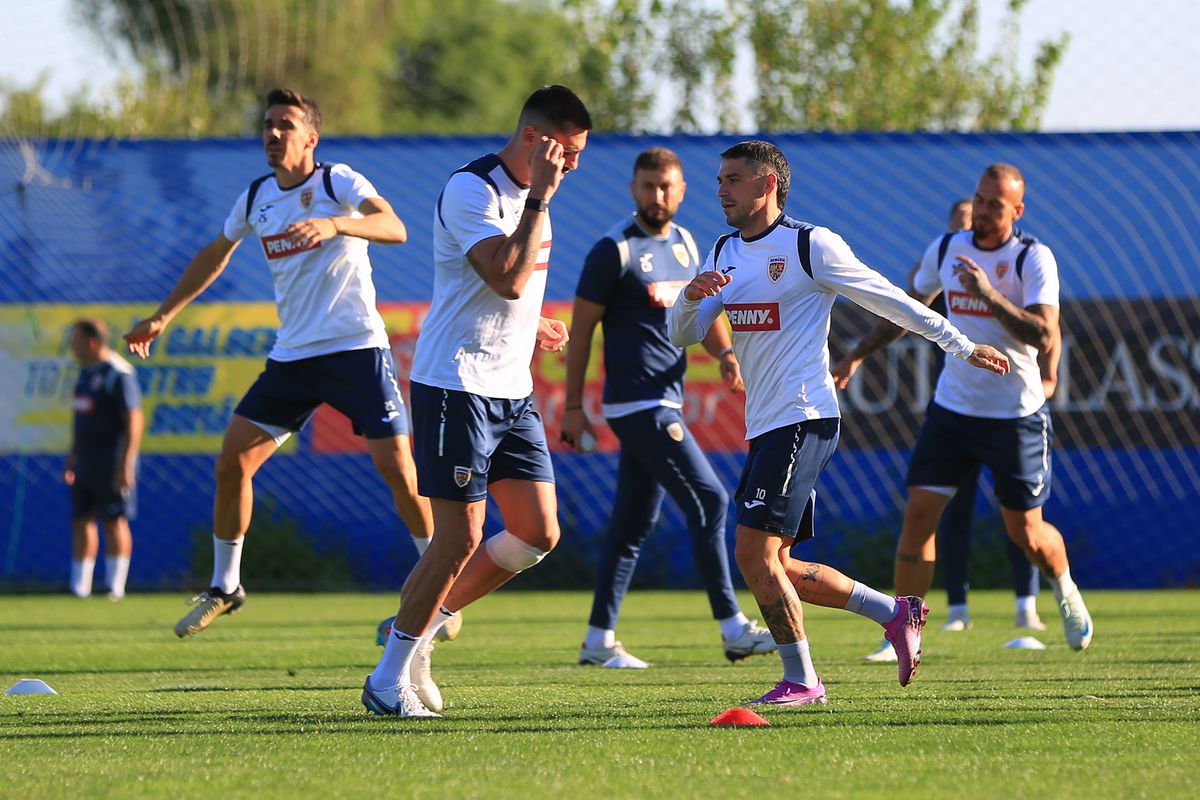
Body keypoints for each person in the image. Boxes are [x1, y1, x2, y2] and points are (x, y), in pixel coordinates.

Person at [666, 140, 1011, 706]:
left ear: (766, 184)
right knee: (777, 563)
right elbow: (683, 332)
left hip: (804, 417)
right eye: (720, 179)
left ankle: (802, 681)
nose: (720, 189)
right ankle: (895, 612)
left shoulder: (809, 245)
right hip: (767, 425)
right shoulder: (724, 249)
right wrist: (689, 296)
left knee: (752, 554)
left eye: (732, 179)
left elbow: (889, 299)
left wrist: (960, 343)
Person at [124, 88, 433, 637]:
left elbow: (395, 227)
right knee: (232, 461)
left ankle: (440, 586)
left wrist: (338, 224)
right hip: (293, 357)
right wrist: (162, 316)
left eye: (285, 124)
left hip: (357, 348)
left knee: (399, 471)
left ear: (310, 137)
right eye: (267, 124)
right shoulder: (256, 197)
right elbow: (213, 255)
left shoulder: (338, 182)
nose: (272, 133)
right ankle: (226, 586)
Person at [361, 85, 591, 718]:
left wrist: (535, 322)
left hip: (511, 389)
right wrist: (541, 196)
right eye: (564, 153)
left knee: (537, 531)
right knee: (457, 539)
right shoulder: (474, 190)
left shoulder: (535, 198)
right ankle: (386, 679)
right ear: (533, 139)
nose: (570, 167)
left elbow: (515, 292)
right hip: (456, 386)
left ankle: (422, 630)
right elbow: (507, 275)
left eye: (576, 156)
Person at [833, 163, 1093, 655]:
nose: (982, 210)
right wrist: (856, 355)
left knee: (1028, 534)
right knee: (918, 517)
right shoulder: (948, 247)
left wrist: (988, 296)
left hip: (1015, 415)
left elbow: (1043, 334)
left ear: (1017, 210)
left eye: (995, 204)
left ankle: (1063, 586)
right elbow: (909, 309)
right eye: (979, 198)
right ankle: (903, 630)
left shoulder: (1032, 258)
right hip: (953, 411)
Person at [561, 147, 775, 668]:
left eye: (667, 187)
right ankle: (732, 628)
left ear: (682, 191)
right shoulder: (613, 250)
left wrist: (725, 354)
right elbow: (583, 330)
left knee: (632, 524)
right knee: (711, 501)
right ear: (634, 189)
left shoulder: (685, 244)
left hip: (665, 398)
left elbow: (704, 309)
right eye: (648, 186)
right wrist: (572, 405)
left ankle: (597, 640)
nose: (658, 195)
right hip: (639, 402)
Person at [65, 319, 143, 600]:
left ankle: (114, 587)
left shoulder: (118, 373)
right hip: (85, 461)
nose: (71, 347)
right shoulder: (85, 374)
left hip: (112, 462)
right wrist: (72, 457)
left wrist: (126, 463)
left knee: (114, 520)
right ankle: (80, 587)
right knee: (81, 519)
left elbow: (133, 420)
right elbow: (81, 420)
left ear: (92, 342)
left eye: (75, 341)